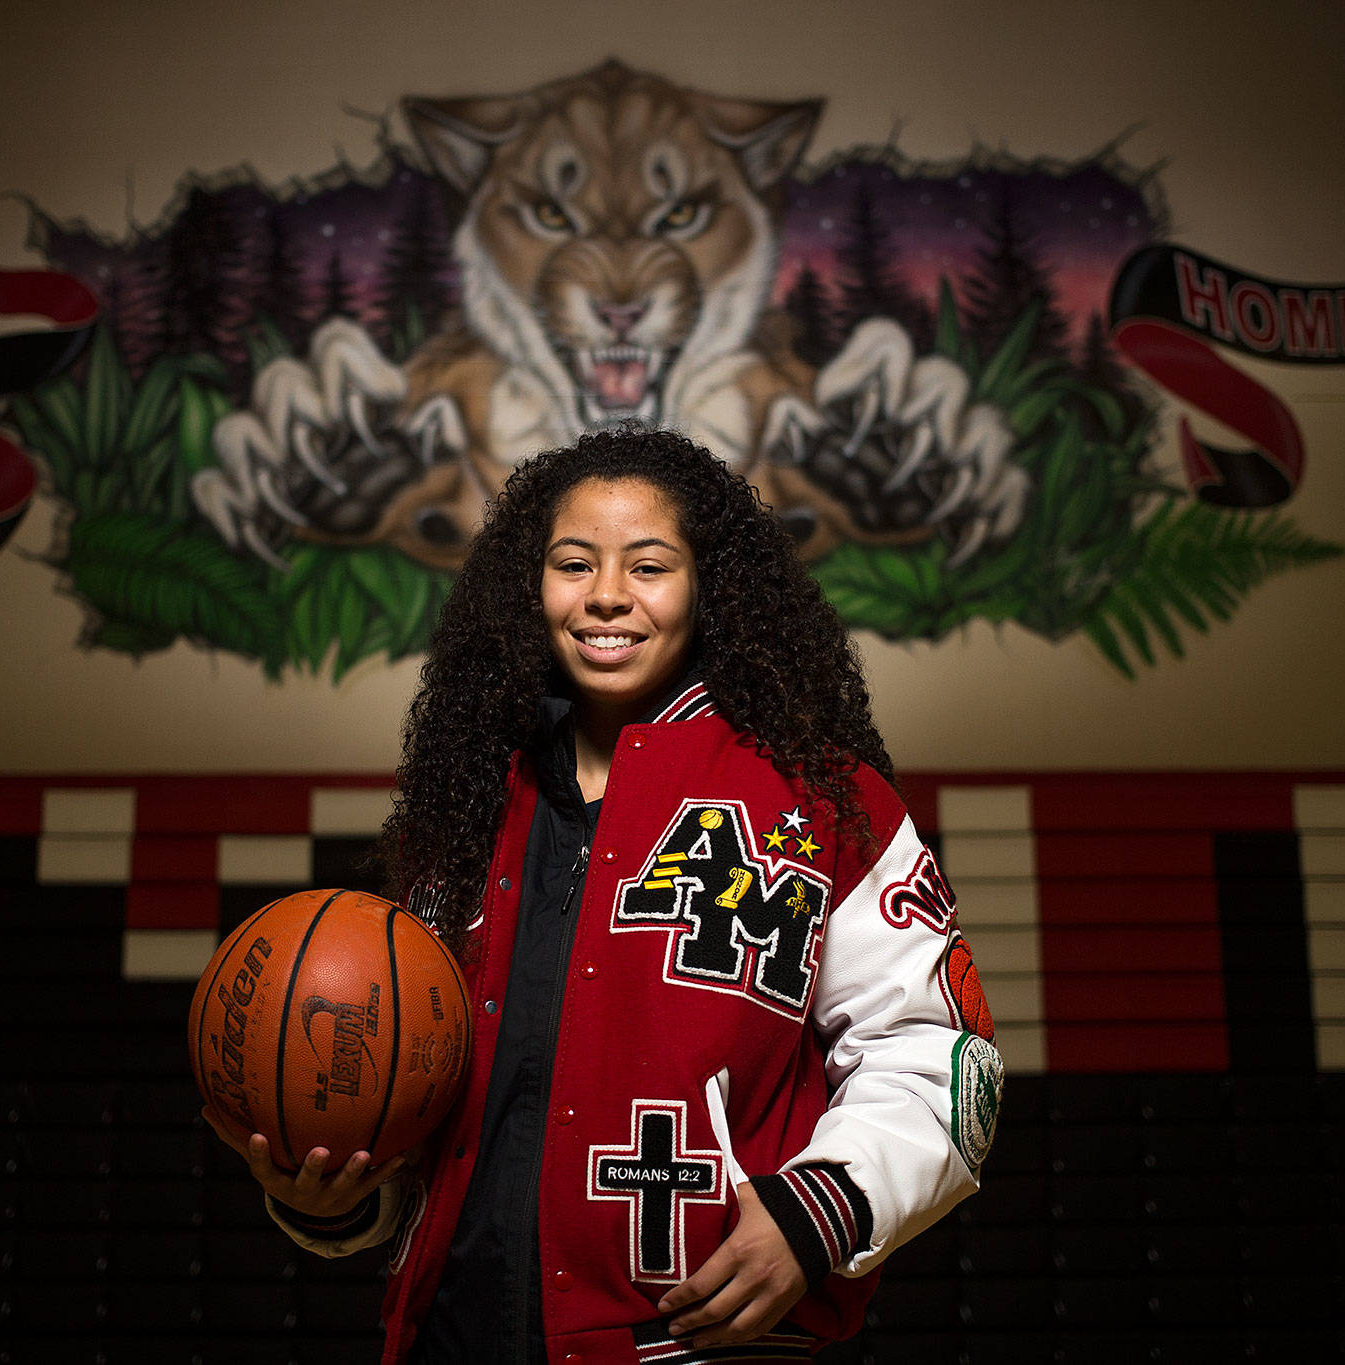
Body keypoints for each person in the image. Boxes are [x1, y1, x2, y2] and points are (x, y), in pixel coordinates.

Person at [206, 427, 1003, 1364]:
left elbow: (939, 1054)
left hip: (699, 1340)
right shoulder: (462, 805)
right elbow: (428, 1101)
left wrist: (815, 1213)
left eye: (649, 564)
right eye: (573, 563)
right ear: (530, 587)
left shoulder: (822, 799)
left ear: (709, 586)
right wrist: (339, 1197)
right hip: (453, 1335)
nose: (608, 595)